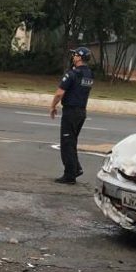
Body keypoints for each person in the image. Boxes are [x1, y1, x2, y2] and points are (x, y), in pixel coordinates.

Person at [50, 46, 94, 184]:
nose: (73, 56)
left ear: (79, 57)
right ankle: (76, 169)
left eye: (75, 54)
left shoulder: (72, 74)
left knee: (67, 143)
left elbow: (59, 93)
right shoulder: (89, 74)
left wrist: (52, 106)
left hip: (71, 112)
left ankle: (69, 175)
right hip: (81, 112)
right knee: (72, 142)